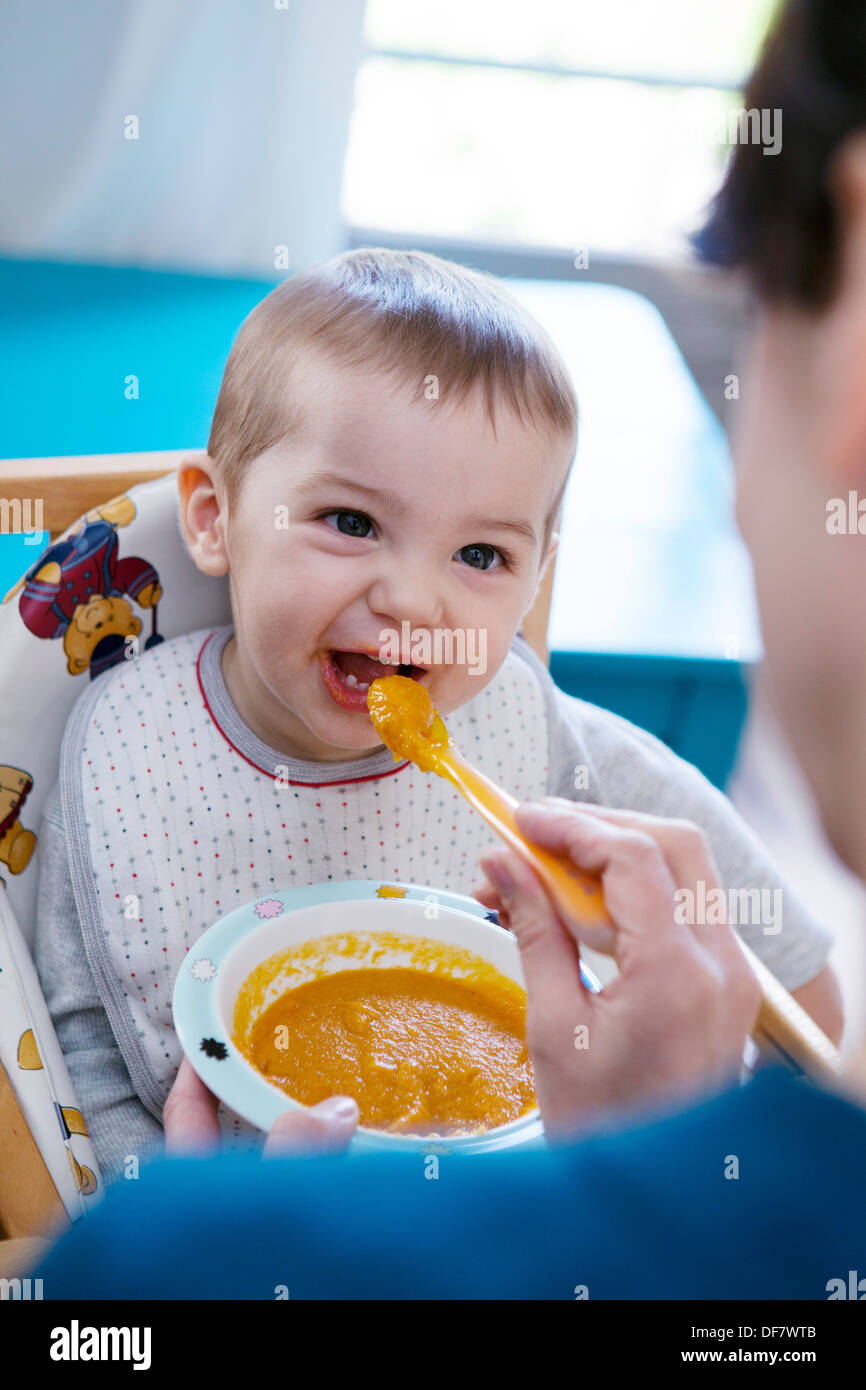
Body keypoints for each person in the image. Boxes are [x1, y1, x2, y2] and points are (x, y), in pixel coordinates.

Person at [34, 0, 866, 1299]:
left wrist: (798, 1012)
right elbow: (84, 1033)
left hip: (513, 1182)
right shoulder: (125, 739)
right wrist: (171, 1197)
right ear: (214, 518)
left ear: (535, 572)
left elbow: (736, 908)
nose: (412, 598)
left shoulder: (514, 725)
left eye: (481, 557)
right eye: (351, 520)